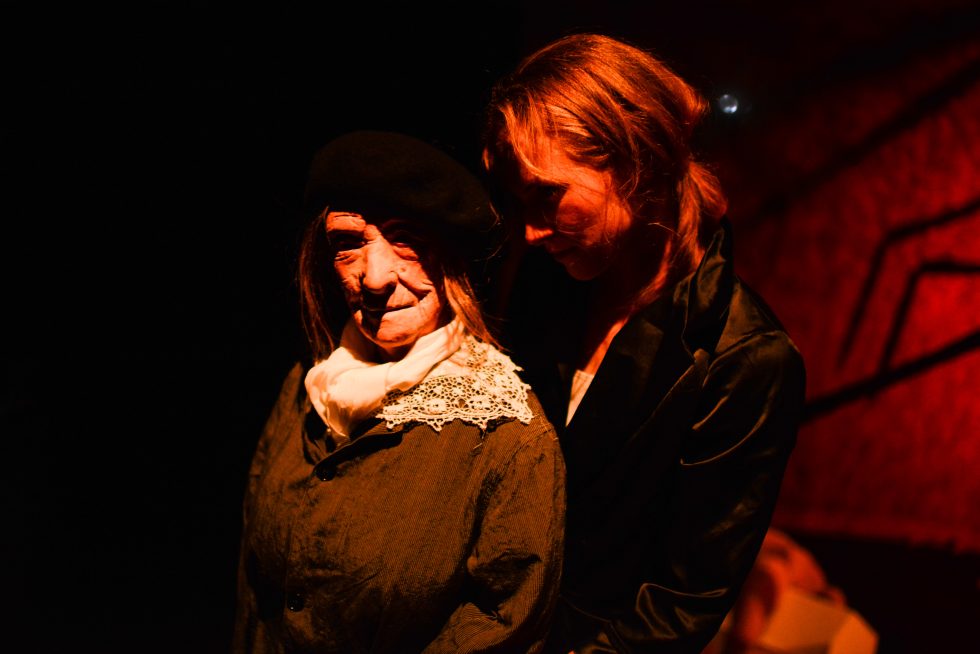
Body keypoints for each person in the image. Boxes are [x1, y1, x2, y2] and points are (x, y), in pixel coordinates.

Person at [480, 33, 806, 653]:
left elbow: (681, 603)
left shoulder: (744, 359)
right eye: (521, 202)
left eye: (548, 194)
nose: (530, 231)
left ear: (639, 162)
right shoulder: (548, 285)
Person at [232, 130, 566, 654]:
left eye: (405, 238)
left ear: (451, 256)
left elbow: (506, 626)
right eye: (348, 244)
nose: (374, 278)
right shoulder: (306, 385)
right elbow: (255, 594)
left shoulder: (507, 436)